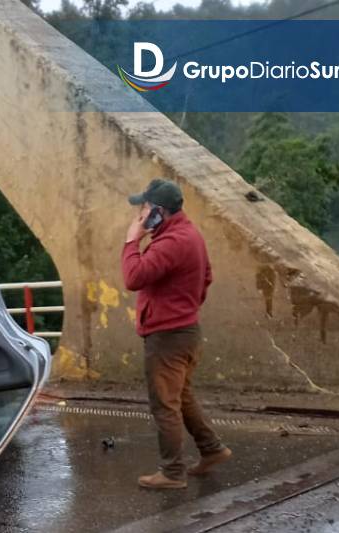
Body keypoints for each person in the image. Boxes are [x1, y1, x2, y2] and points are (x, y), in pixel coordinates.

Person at [121, 178, 232, 490]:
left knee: (164, 404)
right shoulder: (187, 233)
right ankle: (212, 449)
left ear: (157, 211)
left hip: (168, 337)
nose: (139, 214)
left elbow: (134, 277)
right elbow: (206, 276)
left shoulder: (171, 242)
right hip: (185, 330)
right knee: (181, 397)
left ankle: (172, 473)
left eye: (143, 208)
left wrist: (132, 241)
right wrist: (185, 306)